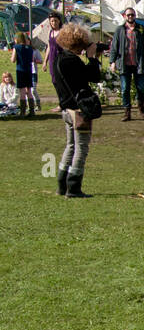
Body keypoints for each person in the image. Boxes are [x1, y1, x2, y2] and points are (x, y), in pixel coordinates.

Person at [49, 23, 102, 198]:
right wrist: (93, 58)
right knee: (81, 148)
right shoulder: (72, 61)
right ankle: (74, 187)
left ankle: (62, 184)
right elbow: (93, 77)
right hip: (78, 110)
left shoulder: (59, 59)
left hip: (66, 108)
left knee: (70, 146)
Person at [109, 6, 144, 121]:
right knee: (125, 89)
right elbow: (114, 47)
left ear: (135, 16)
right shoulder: (120, 30)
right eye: (128, 15)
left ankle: (140, 106)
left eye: (132, 15)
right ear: (124, 16)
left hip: (139, 63)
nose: (130, 17)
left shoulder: (141, 29)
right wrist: (112, 62)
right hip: (124, 63)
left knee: (141, 88)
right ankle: (126, 112)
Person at [10, 32, 38, 118]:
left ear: (17, 39)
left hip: (20, 70)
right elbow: (33, 59)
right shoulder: (30, 48)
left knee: (22, 91)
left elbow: (13, 60)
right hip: (29, 70)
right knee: (29, 91)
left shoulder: (16, 47)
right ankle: (32, 111)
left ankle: (22, 112)